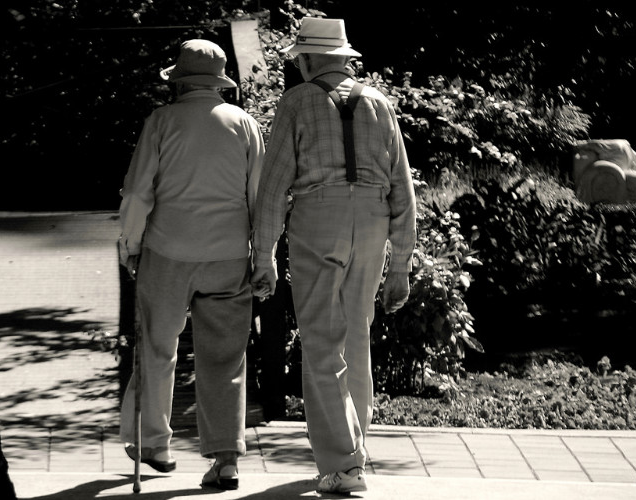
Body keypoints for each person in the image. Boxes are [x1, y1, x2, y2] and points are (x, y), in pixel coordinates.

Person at [251, 17, 417, 494]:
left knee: (322, 343)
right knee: (355, 339)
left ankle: (344, 466)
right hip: (372, 221)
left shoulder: (297, 101)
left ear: (306, 60)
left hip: (317, 221)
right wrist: (401, 262)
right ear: (345, 58)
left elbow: (275, 185)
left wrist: (262, 255)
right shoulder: (379, 102)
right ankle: (355, 452)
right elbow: (402, 187)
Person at [117, 39, 264, 490]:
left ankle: (153, 444)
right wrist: (263, 254)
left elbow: (140, 192)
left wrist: (130, 244)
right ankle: (225, 459)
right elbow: (259, 197)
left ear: (178, 82)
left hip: (169, 251)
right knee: (225, 358)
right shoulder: (244, 124)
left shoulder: (161, 122)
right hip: (228, 255)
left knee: (157, 347)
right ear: (218, 82)